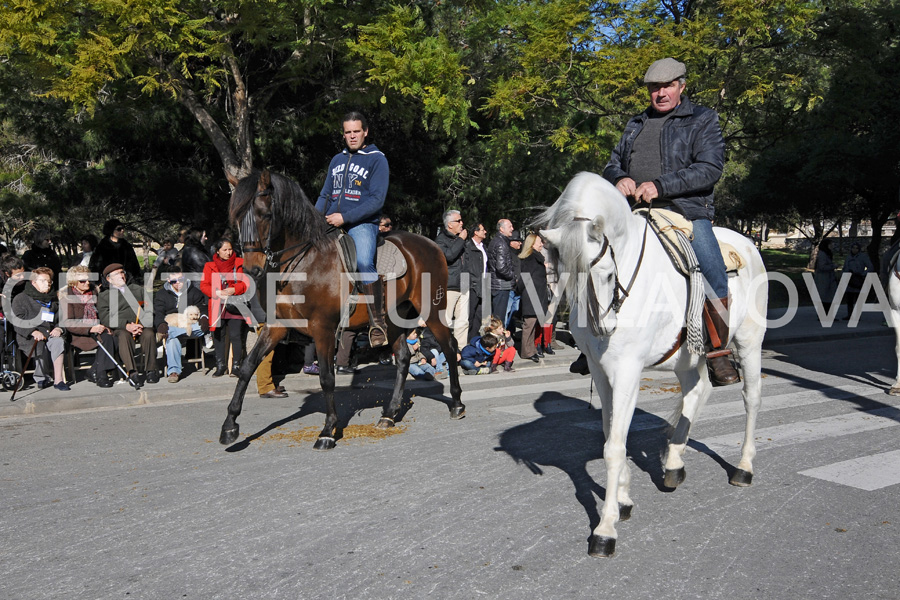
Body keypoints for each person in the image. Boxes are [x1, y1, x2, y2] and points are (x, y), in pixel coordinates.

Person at [602, 57, 738, 386]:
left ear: (681, 86)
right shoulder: (635, 123)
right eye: (654, 88)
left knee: (712, 267)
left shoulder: (703, 119)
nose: (660, 93)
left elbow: (709, 169)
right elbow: (612, 163)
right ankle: (593, 340)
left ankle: (719, 351)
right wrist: (619, 178)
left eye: (667, 86)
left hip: (685, 210)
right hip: (633, 211)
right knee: (595, 256)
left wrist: (661, 185)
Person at [316, 111, 390, 348]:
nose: (352, 136)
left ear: (365, 131)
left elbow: (377, 200)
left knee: (364, 263)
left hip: (362, 223)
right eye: (347, 132)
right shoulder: (337, 160)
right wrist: (315, 219)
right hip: (331, 221)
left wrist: (345, 217)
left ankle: (377, 324)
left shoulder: (377, 159)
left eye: (356, 131)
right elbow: (325, 194)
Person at [97, 263, 160, 385]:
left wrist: (140, 324)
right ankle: (132, 372)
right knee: (123, 336)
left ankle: (151, 370)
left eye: (122, 272)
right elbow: (105, 317)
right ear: (109, 279)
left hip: (141, 325)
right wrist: (126, 325)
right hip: (121, 327)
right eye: (117, 274)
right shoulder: (104, 296)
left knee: (149, 334)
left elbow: (150, 309)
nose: (121, 276)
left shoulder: (137, 290)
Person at [60, 265, 118, 388]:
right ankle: (101, 375)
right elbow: (69, 322)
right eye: (82, 281)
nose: (87, 283)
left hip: (97, 328)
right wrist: (90, 328)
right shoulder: (66, 297)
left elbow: (102, 312)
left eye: (88, 279)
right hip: (79, 333)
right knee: (107, 339)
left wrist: (104, 325)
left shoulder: (95, 292)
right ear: (73, 282)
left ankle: (94, 370)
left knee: (113, 337)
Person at [12, 267, 69, 390]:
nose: (47, 284)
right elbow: (17, 320)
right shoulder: (21, 298)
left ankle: (58, 380)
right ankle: (41, 378)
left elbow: (62, 319)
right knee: (39, 344)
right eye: (43, 281)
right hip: (29, 336)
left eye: (49, 281)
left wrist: (59, 329)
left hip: (50, 332)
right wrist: (32, 331)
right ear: (33, 282)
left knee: (58, 341)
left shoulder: (53, 299)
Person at [201, 239, 251, 377]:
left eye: (230, 249)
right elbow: (204, 285)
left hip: (235, 303)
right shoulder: (209, 266)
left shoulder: (239, 263)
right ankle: (220, 365)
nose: (228, 253)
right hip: (217, 304)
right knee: (218, 336)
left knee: (236, 335)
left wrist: (233, 289)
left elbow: (246, 283)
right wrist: (215, 292)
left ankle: (236, 365)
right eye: (225, 250)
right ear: (217, 251)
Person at [153, 268, 210, 383]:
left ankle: (170, 333)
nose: (178, 283)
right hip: (173, 323)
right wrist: (161, 324)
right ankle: (174, 371)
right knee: (172, 339)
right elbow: (158, 313)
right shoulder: (162, 294)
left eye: (181, 279)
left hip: (192, 325)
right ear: (169, 280)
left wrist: (204, 318)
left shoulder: (194, 292)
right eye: (174, 281)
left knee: (173, 334)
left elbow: (203, 308)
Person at [435, 209, 470, 351]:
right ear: (450, 224)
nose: (462, 223)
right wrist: (461, 239)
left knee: (463, 321)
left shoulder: (461, 239)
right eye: (458, 221)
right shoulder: (441, 240)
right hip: (449, 286)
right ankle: (445, 350)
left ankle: (461, 350)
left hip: (464, 284)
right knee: (447, 320)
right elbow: (449, 256)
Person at [517, 233, 550, 362]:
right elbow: (525, 278)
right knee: (529, 325)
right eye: (539, 242)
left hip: (537, 295)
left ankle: (531, 349)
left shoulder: (536, 257)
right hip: (531, 295)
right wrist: (518, 290)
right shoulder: (530, 258)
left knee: (533, 324)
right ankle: (526, 351)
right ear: (532, 244)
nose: (541, 244)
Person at [488, 219, 517, 326]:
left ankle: (496, 339)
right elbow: (501, 267)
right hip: (501, 285)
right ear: (501, 229)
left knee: (497, 317)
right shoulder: (501, 243)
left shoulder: (498, 241)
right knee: (499, 319)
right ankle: (497, 340)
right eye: (510, 226)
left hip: (497, 283)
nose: (512, 229)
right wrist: (513, 276)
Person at [466, 222, 489, 338]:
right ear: (476, 232)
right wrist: (471, 283)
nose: (485, 232)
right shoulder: (468, 247)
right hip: (473, 286)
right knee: (470, 315)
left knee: (479, 316)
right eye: (482, 230)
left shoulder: (484, 247)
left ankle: (474, 339)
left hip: (484, 285)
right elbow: (467, 267)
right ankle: (466, 341)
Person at [842, 242, 874, 320]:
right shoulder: (848, 257)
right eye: (853, 248)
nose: (854, 250)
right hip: (849, 279)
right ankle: (849, 314)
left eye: (856, 248)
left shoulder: (863, 257)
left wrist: (863, 274)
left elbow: (870, 267)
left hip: (858, 278)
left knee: (858, 298)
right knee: (849, 299)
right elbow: (845, 267)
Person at [505, 230, 524, 329]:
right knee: (507, 312)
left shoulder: (518, 255)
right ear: (511, 242)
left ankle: (510, 333)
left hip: (517, 289)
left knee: (514, 311)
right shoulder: (507, 254)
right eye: (518, 241)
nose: (520, 243)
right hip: (510, 288)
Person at [814, 239, 838, 315]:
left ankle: (826, 314)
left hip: (828, 278)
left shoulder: (826, 253)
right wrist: (833, 266)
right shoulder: (823, 254)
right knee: (825, 297)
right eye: (831, 244)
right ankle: (824, 314)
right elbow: (822, 267)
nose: (832, 245)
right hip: (824, 279)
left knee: (828, 297)